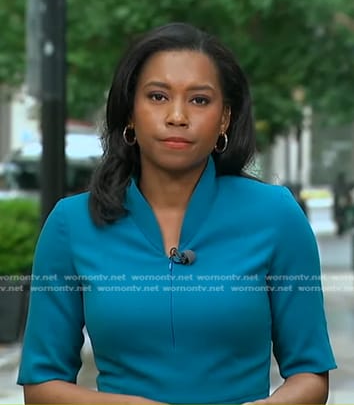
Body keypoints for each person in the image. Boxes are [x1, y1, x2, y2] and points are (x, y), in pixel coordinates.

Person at [18, 22, 336, 404]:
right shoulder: (71, 224)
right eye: (157, 96)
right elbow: (41, 386)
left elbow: (311, 376)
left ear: (225, 119)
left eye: (200, 100)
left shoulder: (277, 215)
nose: (177, 116)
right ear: (130, 113)